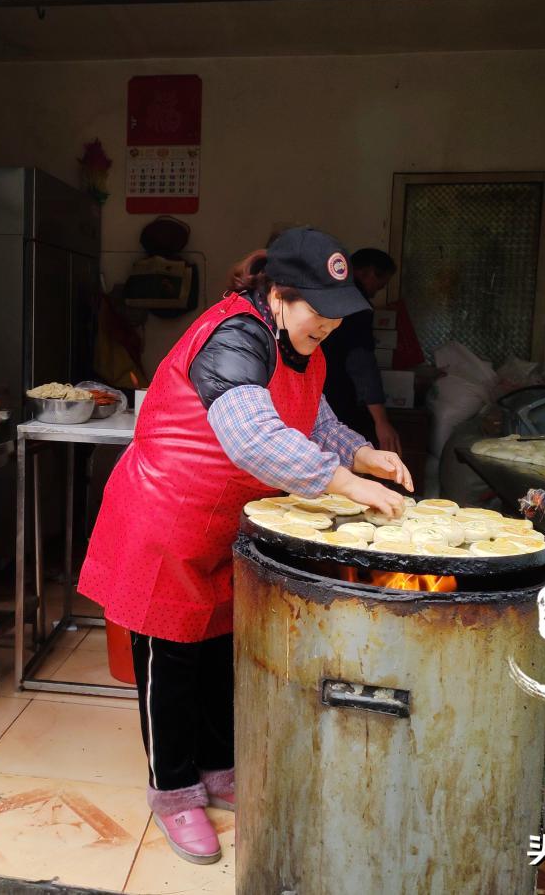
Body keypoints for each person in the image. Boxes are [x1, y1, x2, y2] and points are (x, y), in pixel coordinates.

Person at [77, 227, 412, 865]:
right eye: (321, 310)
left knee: (215, 651)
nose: (331, 326)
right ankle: (173, 792)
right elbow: (253, 435)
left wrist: (363, 454)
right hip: (168, 517)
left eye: (341, 314)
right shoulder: (234, 334)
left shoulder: (300, 344)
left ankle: (216, 768)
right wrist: (341, 483)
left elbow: (312, 419)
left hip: (225, 521)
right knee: (169, 663)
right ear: (281, 295)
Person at [320, 248, 401, 452]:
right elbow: (361, 362)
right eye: (382, 283)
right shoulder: (356, 305)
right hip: (336, 393)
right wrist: (381, 421)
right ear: (369, 273)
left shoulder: (327, 295)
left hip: (319, 390)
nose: (380, 290)